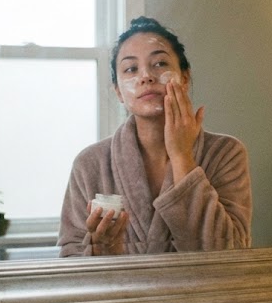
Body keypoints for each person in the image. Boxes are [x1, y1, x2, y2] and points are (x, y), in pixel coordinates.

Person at [58, 16, 252, 256]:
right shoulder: (90, 165)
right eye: (131, 69)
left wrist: (182, 157)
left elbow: (232, 254)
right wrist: (101, 249)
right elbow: (70, 263)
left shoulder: (225, 153)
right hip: (125, 295)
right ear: (118, 91)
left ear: (184, 77)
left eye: (159, 64)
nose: (146, 76)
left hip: (201, 294)